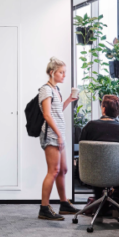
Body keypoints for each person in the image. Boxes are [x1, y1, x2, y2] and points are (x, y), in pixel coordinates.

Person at [78, 95, 119, 221]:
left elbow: (83, 151)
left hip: (91, 173)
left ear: (103, 109)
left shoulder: (90, 127)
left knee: (97, 164)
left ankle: (99, 200)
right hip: (118, 176)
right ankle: (115, 196)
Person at [38, 57, 79, 221]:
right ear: (52, 72)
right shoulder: (46, 90)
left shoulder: (56, 90)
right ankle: (44, 208)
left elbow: (57, 111)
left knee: (63, 170)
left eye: (64, 72)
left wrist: (69, 100)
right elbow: (47, 115)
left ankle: (64, 204)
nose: (64, 75)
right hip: (52, 135)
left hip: (59, 134)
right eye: (61, 72)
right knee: (53, 171)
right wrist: (59, 135)